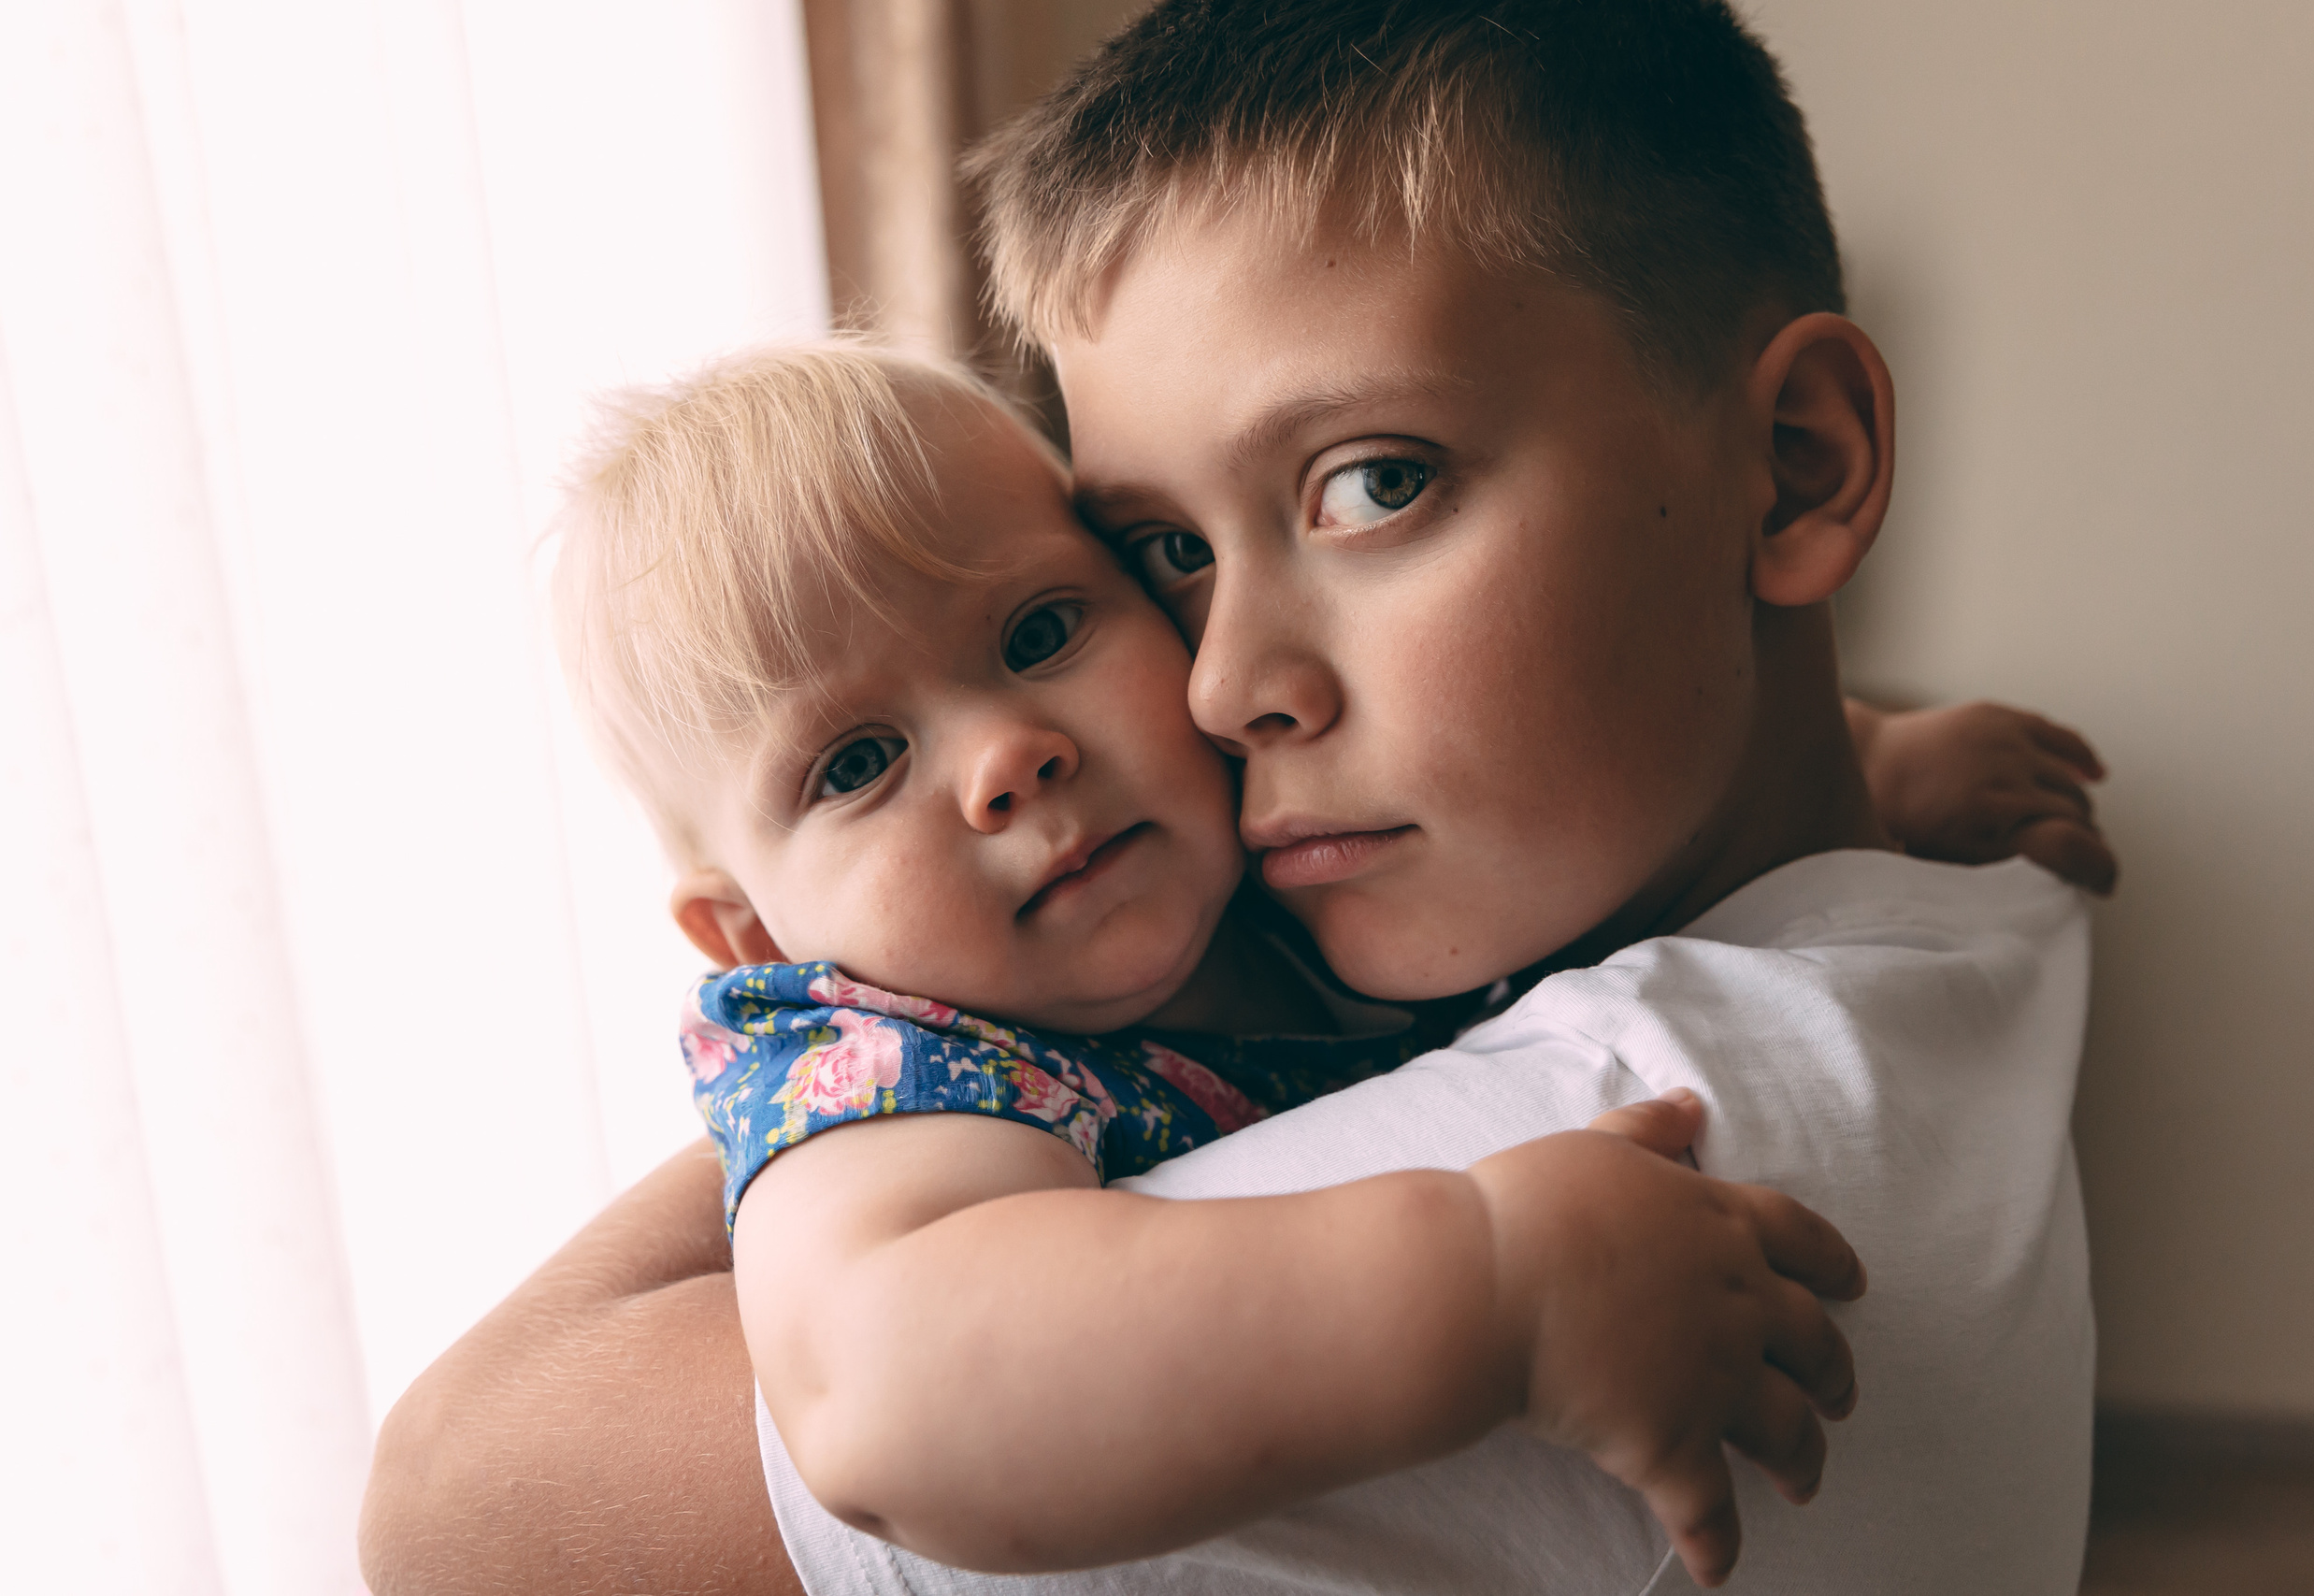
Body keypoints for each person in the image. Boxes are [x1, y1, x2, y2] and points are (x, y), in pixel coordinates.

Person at [359, 2, 2115, 1591]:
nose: (1219, 686)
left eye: (1371, 484)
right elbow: (826, 1414)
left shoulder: (1636, 1120)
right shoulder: (920, 1095)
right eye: (1167, 554)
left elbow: (472, 1504)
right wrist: (1491, 1284)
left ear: (1796, 465)